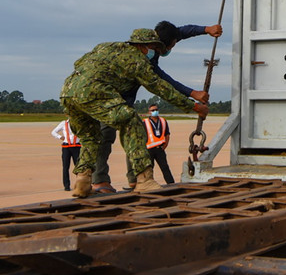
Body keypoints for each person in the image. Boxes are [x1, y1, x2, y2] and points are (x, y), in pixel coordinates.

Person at [61, 28, 209, 198]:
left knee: (90, 137)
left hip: (68, 92)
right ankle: (144, 180)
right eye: (154, 48)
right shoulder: (138, 61)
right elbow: (160, 88)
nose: (155, 53)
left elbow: (79, 63)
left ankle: (83, 180)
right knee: (132, 122)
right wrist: (193, 106)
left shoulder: (106, 47)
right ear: (145, 46)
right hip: (94, 91)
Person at [91, 21, 222, 193]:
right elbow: (162, 83)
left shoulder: (155, 44)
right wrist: (192, 96)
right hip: (109, 99)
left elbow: (182, 32)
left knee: (134, 136)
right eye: (170, 46)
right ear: (154, 45)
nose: (171, 49)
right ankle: (100, 181)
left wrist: (206, 30)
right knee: (107, 136)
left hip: (123, 101)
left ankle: (134, 179)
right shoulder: (141, 61)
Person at [143, 104, 174, 183]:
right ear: (149, 112)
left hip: (160, 149)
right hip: (149, 149)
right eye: (153, 110)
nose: (155, 111)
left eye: (156, 110)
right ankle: (149, 184)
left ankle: (171, 184)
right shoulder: (145, 122)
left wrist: (165, 144)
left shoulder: (163, 121)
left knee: (165, 167)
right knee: (149, 169)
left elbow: (167, 134)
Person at [51, 118, 81, 191]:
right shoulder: (64, 123)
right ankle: (66, 186)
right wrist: (60, 137)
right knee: (65, 167)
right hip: (66, 147)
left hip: (76, 147)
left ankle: (79, 185)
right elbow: (53, 132)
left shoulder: (80, 122)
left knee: (78, 167)